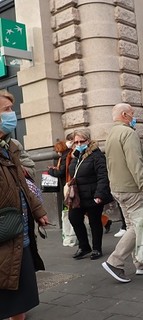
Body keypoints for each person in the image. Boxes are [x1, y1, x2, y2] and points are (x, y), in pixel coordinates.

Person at [0, 90, 49, 320]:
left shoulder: (9, 147)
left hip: (19, 233)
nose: (12, 115)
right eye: (6, 110)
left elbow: (22, 182)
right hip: (4, 233)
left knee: (19, 292)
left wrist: (38, 211)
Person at [102, 103, 143, 283]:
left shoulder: (111, 135)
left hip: (118, 187)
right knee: (137, 226)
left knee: (132, 223)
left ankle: (140, 263)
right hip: (132, 188)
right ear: (125, 114)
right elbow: (136, 163)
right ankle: (115, 262)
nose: (135, 117)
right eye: (132, 114)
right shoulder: (128, 133)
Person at [68, 129, 113, 260]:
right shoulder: (76, 155)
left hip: (93, 194)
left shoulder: (96, 155)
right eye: (76, 141)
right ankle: (84, 246)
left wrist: (99, 194)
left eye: (81, 141)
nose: (78, 144)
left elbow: (102, 175)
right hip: (78, 196)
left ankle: (96, 248)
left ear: (88, 141)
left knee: (95, 221)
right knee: (74, 218)